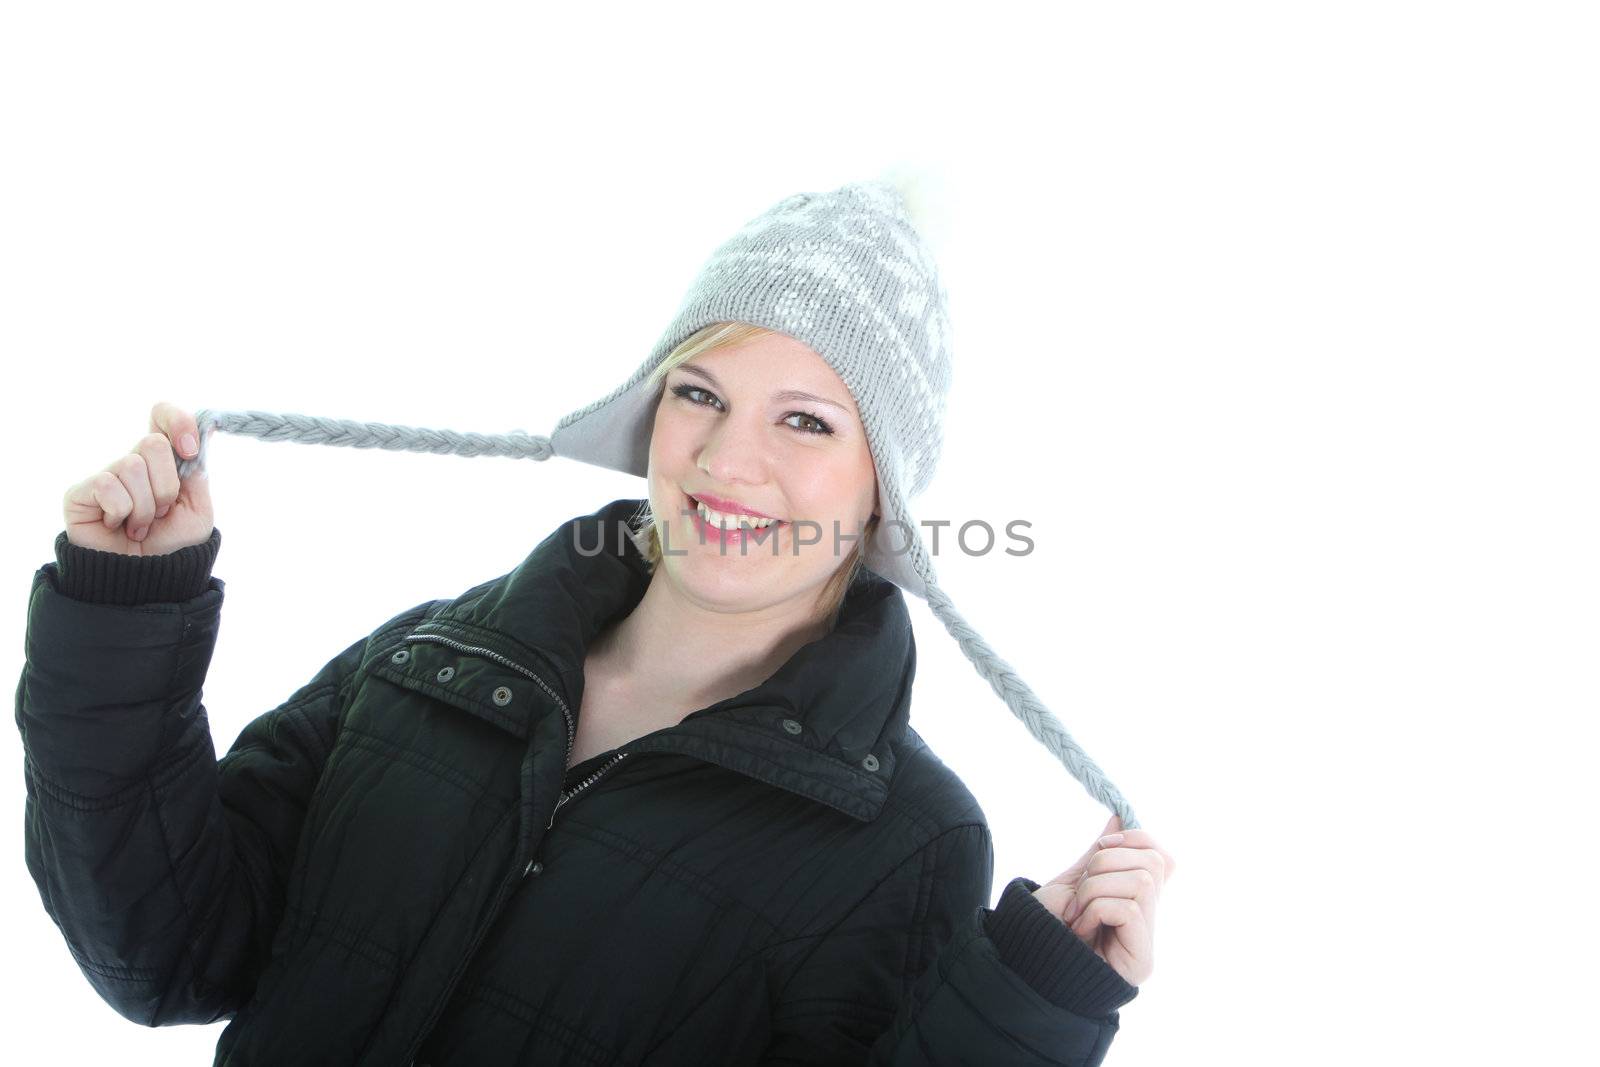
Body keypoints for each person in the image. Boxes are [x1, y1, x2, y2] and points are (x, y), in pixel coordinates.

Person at [18, 181, 1175, 1065]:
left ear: (886, 487)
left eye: (808, 422)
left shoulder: (909, 840)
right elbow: (165, 949)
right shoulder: (430, 659)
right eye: (700, 394)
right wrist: (129, 610)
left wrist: (1025, 1005)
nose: (729, 461)